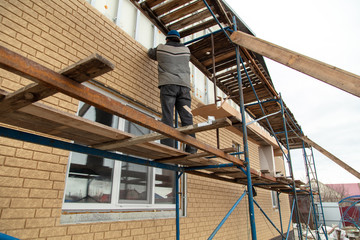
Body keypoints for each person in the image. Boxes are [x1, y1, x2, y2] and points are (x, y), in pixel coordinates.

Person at [148, 30, 197, 154]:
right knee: (187, 117)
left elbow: (150, 53)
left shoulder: (161, 48)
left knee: (168, 115)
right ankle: (192, 148)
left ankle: (168, 147)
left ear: (167, 39)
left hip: (168, 86)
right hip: (184, 89)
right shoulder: (186, 51)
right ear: (179, 40)